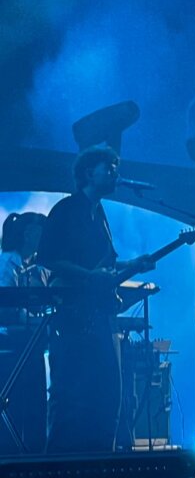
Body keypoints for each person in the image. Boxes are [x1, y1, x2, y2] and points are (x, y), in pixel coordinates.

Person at [38, 145, 154, 454]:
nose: (115, 174)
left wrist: (133, 264)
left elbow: (106, 265)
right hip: (72, 318)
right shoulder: (66, 210)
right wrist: (89, 277)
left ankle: (101, 464)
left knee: (108, 398)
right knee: (71, 397)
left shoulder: (99, 213)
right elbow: (49, 258)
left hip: (100, 316)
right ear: (89, 172)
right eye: (110, 168)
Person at [0, 212, 50, 453]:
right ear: (29, 234)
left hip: (31, 345)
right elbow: (4, 309)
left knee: (35, 405)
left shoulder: (37, 267)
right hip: (10, 348)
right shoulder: (6, 264)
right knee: (17, 405)